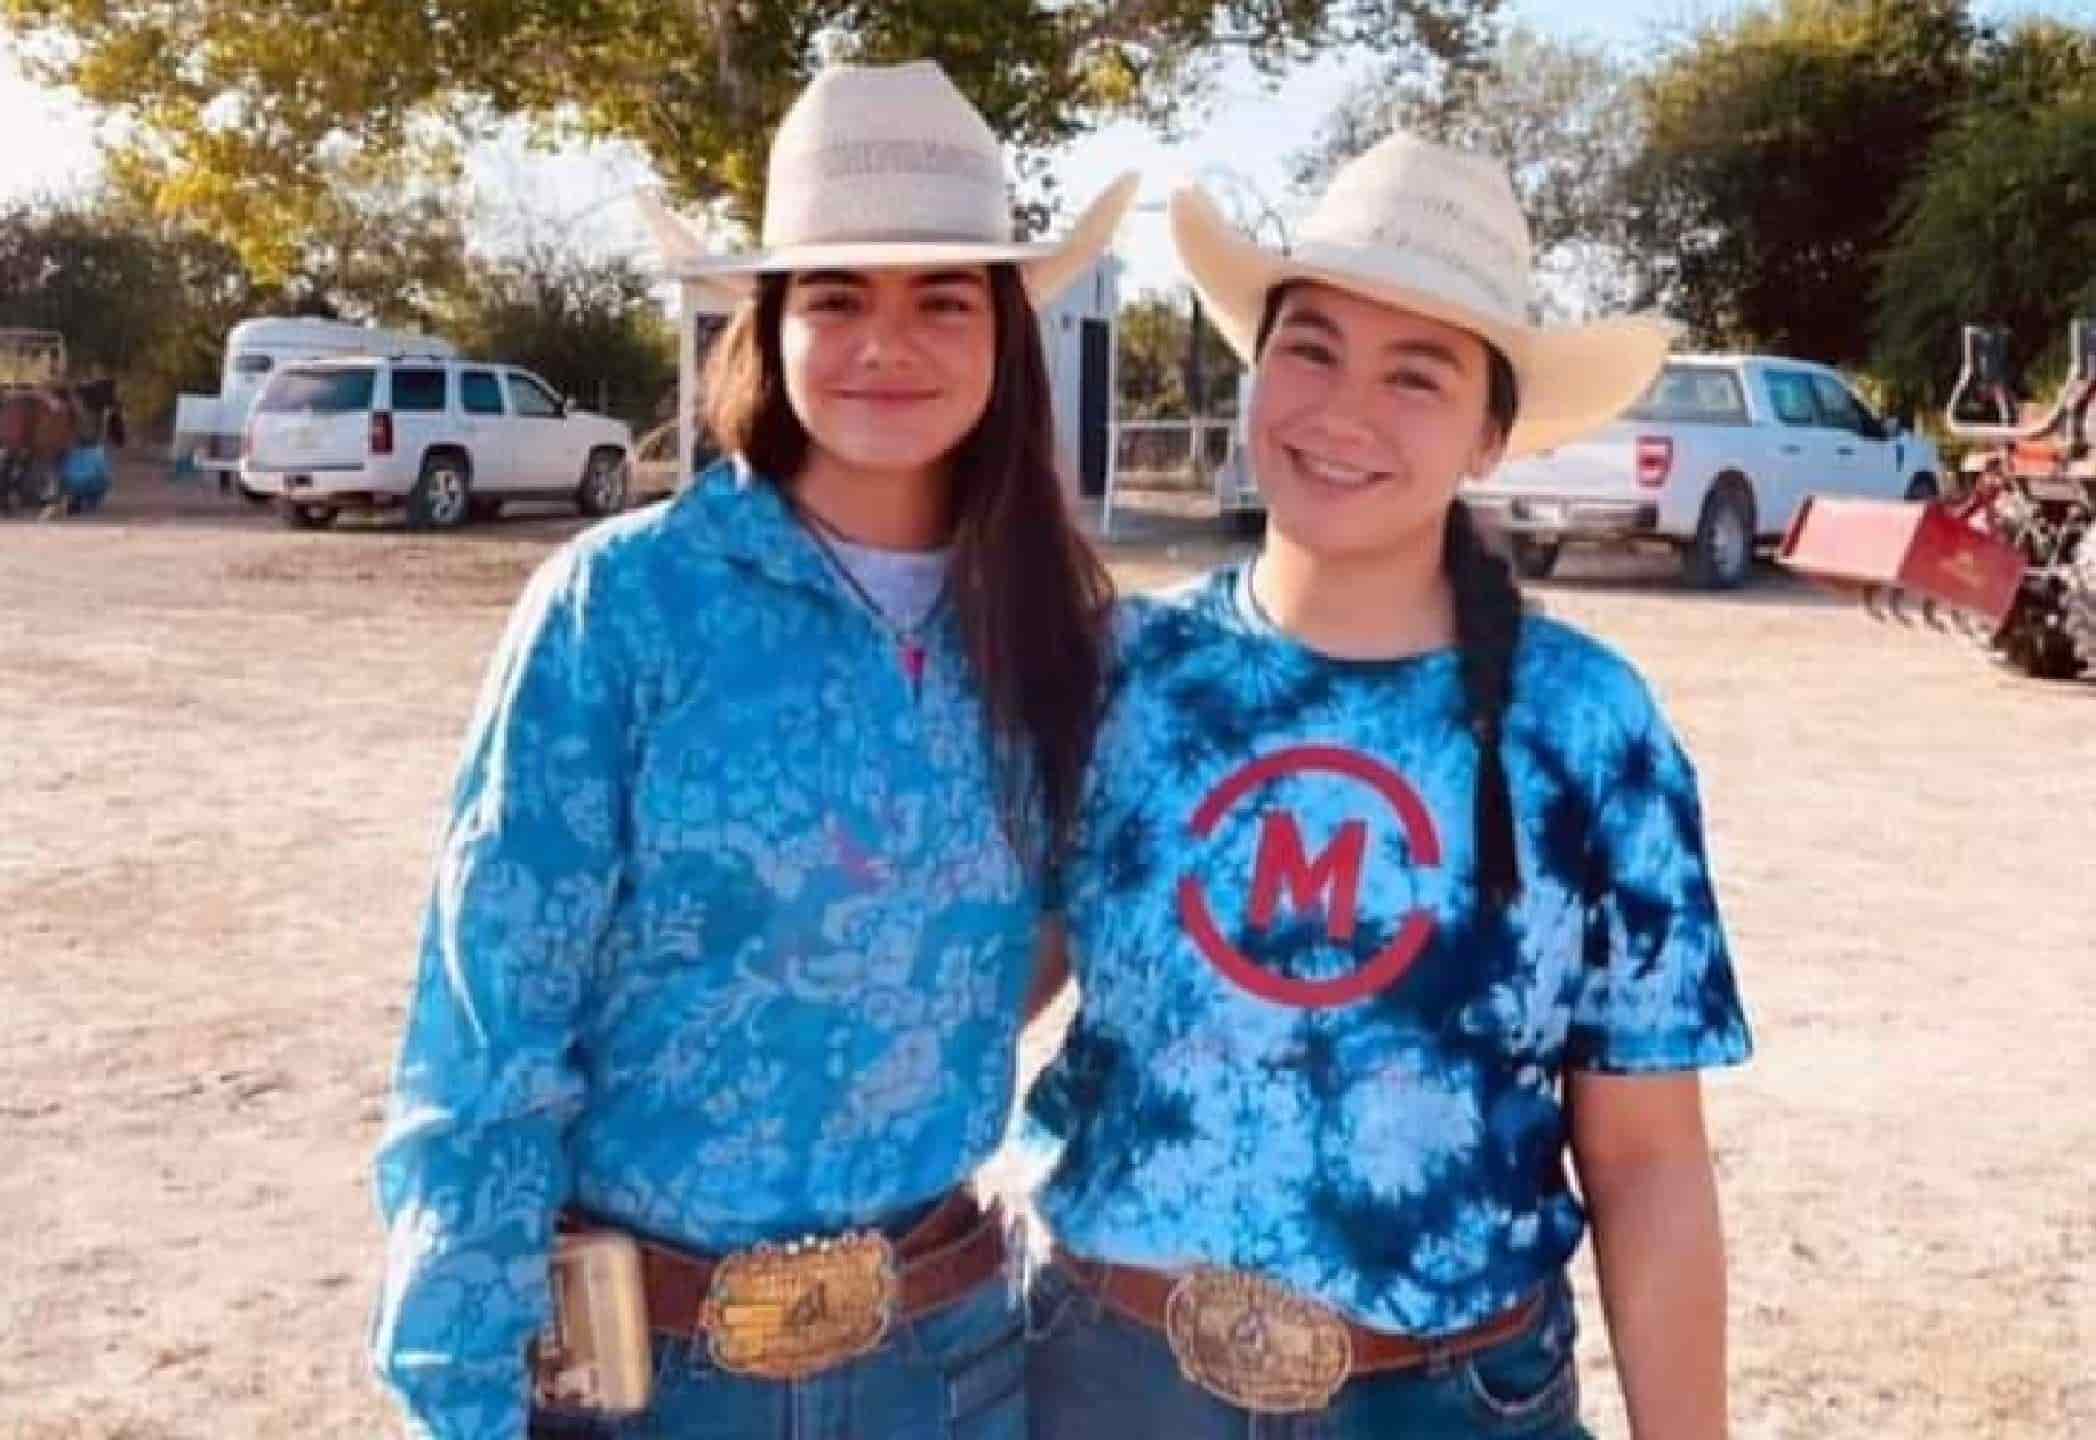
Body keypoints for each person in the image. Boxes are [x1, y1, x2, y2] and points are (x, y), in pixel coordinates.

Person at [369, 59, 1134, 1440]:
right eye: (837, 296)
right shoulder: (625, 605)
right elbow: (488, 1035)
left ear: (1004, 334)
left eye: (941, 300)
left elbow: (1069, 943)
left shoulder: (1067, 631)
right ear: (769, 324)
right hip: (646, 1384)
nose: (886, 343)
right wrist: (458, 1395)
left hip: (951, 1370)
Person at [1024, 133, 1752, 1439]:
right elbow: (961, 997)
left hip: (1457, 1404)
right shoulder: (1120, 672)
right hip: (1110, 1387)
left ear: (1490, 433)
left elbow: (1646, 1164)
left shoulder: (1586, 725)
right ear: (1257, 366)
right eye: (1312, 349)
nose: (1345, 413)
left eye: (1416, 375)